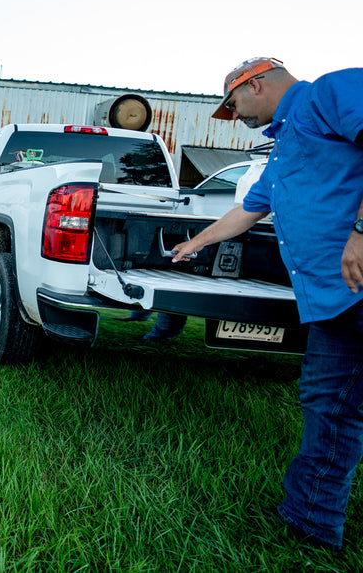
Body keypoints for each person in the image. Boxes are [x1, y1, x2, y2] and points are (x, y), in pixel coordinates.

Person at [171, 57, 363, 550]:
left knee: (333, 407)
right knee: (328, 407)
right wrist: (194, 244)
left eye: (233, 106)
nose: (235, 117)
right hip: (333, 301)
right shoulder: (281, 149)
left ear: (254, 84)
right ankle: (312, 527)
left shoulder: (329, 94)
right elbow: (248, 211)